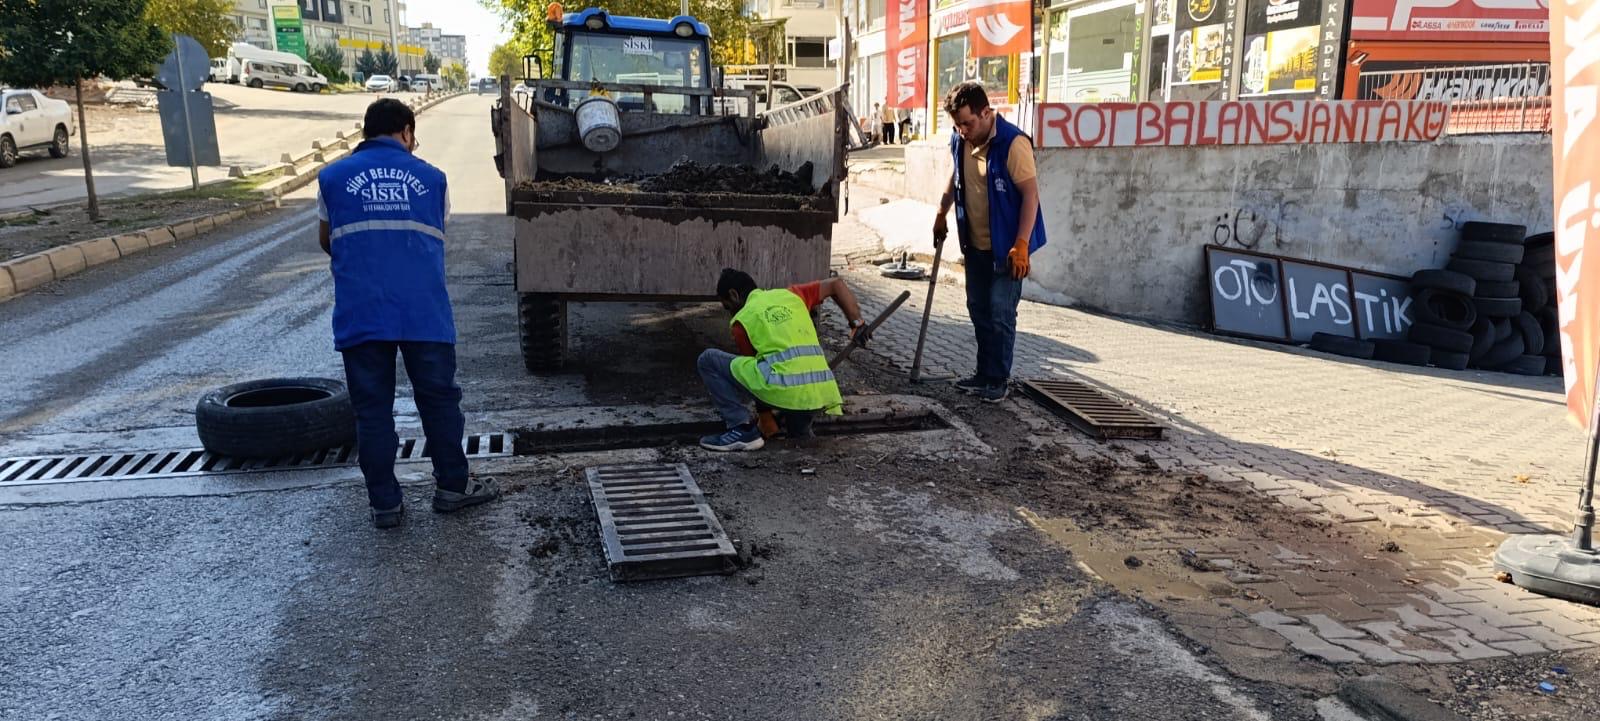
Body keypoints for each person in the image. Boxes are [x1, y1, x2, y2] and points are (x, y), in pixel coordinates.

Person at [317, 98, 498, 528]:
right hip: (423, 312)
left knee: (373, 410)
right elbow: (438, 231)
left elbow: (328, 239)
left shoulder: (332, 178)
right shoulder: (433, 179)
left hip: (363, 311)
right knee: (438, 401)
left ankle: (385, 506)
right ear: (406, 131)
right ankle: (453, 486)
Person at [932, 81, 1047, 402]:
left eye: (967, 123)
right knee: (978, 309)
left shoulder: (1013, 143)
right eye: (957, 125)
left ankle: (998, 379)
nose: (963, 130)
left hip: (1008, 250)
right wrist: (941, 213)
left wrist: (1021, 243)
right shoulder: (961, 140)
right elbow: (956, 179)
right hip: (976, 246)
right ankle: (983, 374)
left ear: (986, 113)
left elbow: (1030, 195)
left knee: (1000, 312)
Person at [696, 269, 869, 452]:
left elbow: (755, 379)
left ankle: (740, 429)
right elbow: (836, 284)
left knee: (708, 359)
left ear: (734, 295)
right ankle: (801, 437)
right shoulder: (791, 295)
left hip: (784, 391)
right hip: (820, 393)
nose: (730, 313)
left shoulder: (743, 319)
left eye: (727, 307)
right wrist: (857, 323)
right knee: (797, 436)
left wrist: (765, 418)